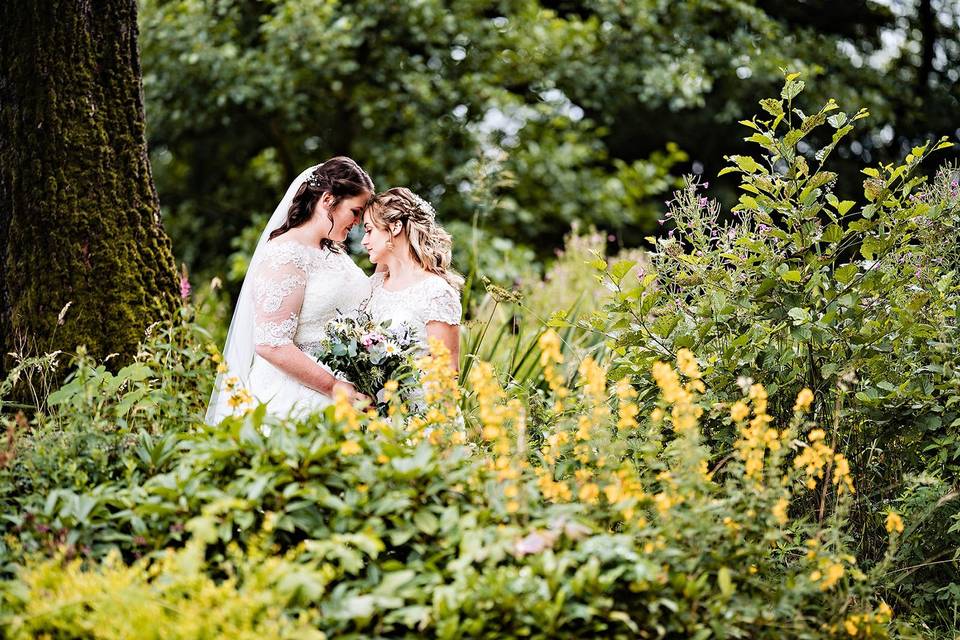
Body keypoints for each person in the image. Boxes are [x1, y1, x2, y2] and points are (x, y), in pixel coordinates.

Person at [206, 157, 374, 423]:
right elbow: (271, 344)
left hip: (350, 388)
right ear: (328, 200)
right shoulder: (284, 255)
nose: (357, 221)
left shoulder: (333, 251)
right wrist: (333, 387)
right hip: (296, 398)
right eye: (355, 211)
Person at [359, 187, 462, 371]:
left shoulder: (436, 292)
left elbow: (447, 372)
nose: (363, 241)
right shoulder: (375, 285)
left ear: (395, 227)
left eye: (369, 230)